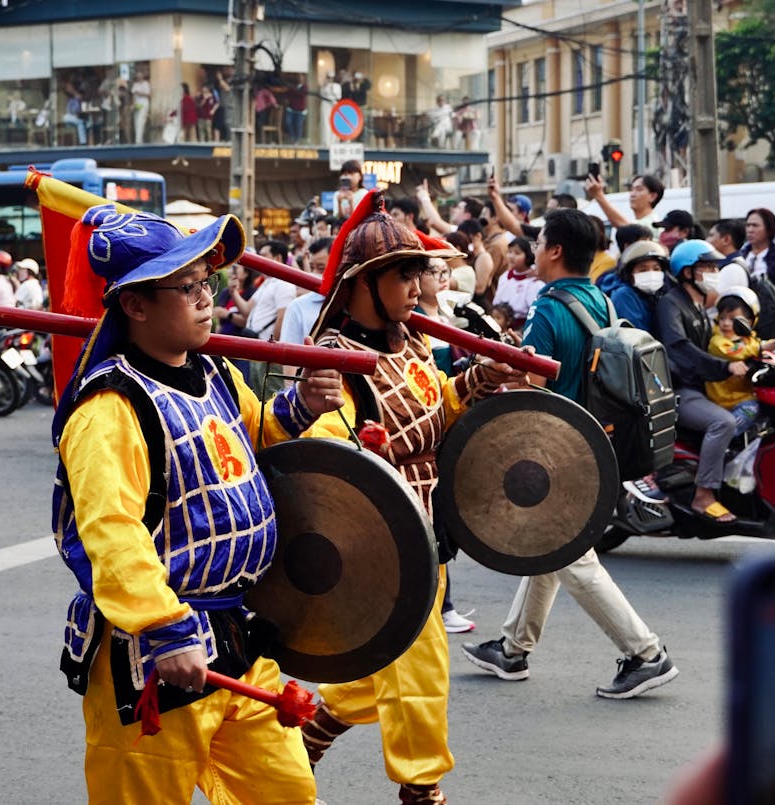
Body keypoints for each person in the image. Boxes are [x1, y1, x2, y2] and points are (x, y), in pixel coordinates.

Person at [50, 203, 344, 804]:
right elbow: (109, 532)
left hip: (238, 638)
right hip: (157, 657)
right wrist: (164, 626)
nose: (207, 297)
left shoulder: (214, 373)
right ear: (134, 304)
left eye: (206, 281)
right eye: (187, 287)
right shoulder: (108, 410)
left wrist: (304, 407)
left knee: (288, 794)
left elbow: (249, 439)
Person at [299, 194, 521, 804]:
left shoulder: (414, 341)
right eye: (402, 272)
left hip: (429, 530)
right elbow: (333, 450)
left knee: (387, 660)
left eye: (416, 270)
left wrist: (478, 380)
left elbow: (435, 408)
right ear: (363, 284)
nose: (417, 282)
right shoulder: (334, 360)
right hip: (380, 542)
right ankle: (421, 790)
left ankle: (312, 734)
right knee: (421, 668)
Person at [462, 208, 680, 700]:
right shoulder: (598, 299)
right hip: (595, 444)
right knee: (551, 548)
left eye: (539, 242)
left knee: (573, 557)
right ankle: (514, 649)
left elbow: (532, 386)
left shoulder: (549, 306)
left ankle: (646, 654)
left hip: (557, 450)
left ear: (556, 251)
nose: (534, 250)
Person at [655, 238, 742, 523]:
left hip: (700, 387)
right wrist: (724, 368)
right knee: (723, 422)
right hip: (681, 389)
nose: (713, 272)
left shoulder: (698, 306)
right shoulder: (672, 304)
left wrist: (760, 350)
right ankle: (704, 495)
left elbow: (714, 344)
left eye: (714, 267)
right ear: (688, 272)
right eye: (706, 266)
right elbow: (680, 348)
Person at [706, 288, 775, 437]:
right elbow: (736, 351)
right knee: (753, 408)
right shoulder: (718, 341)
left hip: (742, 393)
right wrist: (762, 346)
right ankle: (728, 437)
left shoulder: (746, 338)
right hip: (727, 398)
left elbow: (756, 344)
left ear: (749, 321)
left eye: (733, 319)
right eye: (722, 318)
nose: (726, 323)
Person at [278, 236, 333, 346]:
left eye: (321, 268)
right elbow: (288, 357)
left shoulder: (357, 304)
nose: (314, 273)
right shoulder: (298, 306)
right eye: (312, 267)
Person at [610, 240, 672, 333]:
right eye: (643, 270)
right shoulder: (624, 296)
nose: (651, 273)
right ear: (630, 275)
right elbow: (637, 337)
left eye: (656, 269)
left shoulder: (659, 294)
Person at [740, 207, 775, 312]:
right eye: (748, 225)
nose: (750, 230)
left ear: (769, 229)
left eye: (755, 226)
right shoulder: (741, 255)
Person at [585, 173, 664, 231]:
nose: (632, 194)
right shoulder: (636, 222)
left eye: (639, 189)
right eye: (632, 189)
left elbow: (626, 228)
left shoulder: (653, 224)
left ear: (652, 196)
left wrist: (599, 196)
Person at [491, 235, 539, 328]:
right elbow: (497, 302)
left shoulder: (534, 281)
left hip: (521, 326)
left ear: (528, 256)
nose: (511, 256)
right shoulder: (505, 277)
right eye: (509, 252)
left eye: (517, 253)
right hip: (500, 322)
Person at [707, 218, 749, 293]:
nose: (707, 240)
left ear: (726, 239)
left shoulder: (732, 269)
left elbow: (713, 300)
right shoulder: (732, 264)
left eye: (711, 235)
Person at [318, 72, 341, 147]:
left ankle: (333, 142)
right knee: (325, 123)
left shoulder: (337, 86)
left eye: (331, 78)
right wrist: (325, 86)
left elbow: (338, 97)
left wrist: (332, 89)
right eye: (329, 78)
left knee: (334, 123)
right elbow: (321, 94)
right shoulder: (324, 86)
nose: (330, 79)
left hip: (334, 104)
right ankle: (325, 142)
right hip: (325, 104)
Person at [131, 71, 151, 143]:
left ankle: (138, 141)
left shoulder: (146, 84)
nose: (139, 77)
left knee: (140, 122)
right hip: (137, 105)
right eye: (137, 76)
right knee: (136, 123)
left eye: (140, 76)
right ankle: (139, 140)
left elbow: (148, 94)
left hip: (144, 104)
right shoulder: (135, 84)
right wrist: (133, 104)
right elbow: (133, 95)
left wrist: (140, 93)